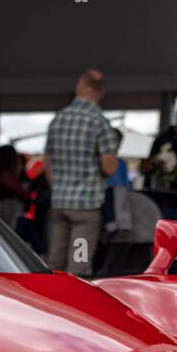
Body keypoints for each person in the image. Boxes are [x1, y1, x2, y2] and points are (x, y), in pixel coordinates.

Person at [42, 69, 119, 276]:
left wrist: (58, 185)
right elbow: (109, 167)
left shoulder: (57, 119)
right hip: (85, 207)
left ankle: (51, 304)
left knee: (55, 262)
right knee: (79, 265)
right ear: (99, 93)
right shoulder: (99, 122)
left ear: (80, 88)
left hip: (59, 202)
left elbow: (46, 163)